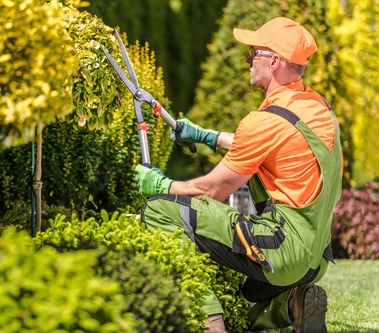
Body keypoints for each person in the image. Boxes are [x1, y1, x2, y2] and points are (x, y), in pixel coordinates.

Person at [134, 17, 342, 333]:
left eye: (254, 51)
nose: (247, 58)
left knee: (160, 210)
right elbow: (272, 145)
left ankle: (210, 323)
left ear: (274, 61)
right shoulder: (315, 107)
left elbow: (213, 190)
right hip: (315, 259)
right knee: (241, 296)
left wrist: (163, 185)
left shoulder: (263, 122)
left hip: (281, 250)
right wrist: (206, 135)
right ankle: (290, 306)